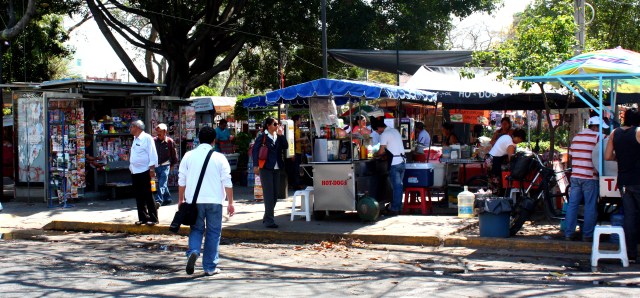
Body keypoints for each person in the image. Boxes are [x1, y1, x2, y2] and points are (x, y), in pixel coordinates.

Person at [179, 126, 235, 276]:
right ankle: (210, 267)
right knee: (213, 232)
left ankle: (194, 251)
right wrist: (230, 202)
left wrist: (180, 200)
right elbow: (227, 182)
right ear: (213, 140)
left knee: (196, 229)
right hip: (215, 200)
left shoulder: (188, 156)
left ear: (198, 139)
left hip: (194, 201)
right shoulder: (220, 157)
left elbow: (181, 180)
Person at [605, 108, 640, 263]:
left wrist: (619, 158)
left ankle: (631, 255)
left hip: (624, 181)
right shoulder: (638, 131)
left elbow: (607, 156)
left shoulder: (615, 133)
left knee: (630, 217)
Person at [564, 116, 607, 242]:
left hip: (575, 176)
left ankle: (568, 233)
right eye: (600, 128)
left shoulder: (576, 137)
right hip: (590, 177)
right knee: (590, 206)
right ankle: (587, 235)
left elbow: (571, 157)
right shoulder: (598, 137)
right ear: (595, 127)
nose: (602, 131)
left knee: (573, 205)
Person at [252, 117, 288, 228]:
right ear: (268, 125)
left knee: (275, 194)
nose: (277, 126)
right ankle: (270, 221)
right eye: (275, 124)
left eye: (278, 124)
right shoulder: (262, 137)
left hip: (277, 168)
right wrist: (255, 165)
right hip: (266, 168)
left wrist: (281, 135)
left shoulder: (278, 136)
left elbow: (285, 146)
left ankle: (267, 217)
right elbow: (255, 150)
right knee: (268, 195)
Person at [128, 120, 159, 225]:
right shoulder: (135, 139)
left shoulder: (147, 138)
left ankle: (154, 218)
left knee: (148, 195)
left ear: (137, 127)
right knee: (139, 195)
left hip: (145, 171)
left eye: (132, 126)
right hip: (135, 171)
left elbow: (153, 155)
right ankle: (143, 217)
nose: (130, 128)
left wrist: (152, 170)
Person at [373, 119, 405, 216]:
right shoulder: (395, 131)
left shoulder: (384, 134)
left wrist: (375, 154)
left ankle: (394, 208)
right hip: (402, 161)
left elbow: (381, 151)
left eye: (377, 131)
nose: (378, 133)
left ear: (379, 128)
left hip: (394, 163)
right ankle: (397, 207)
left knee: (396, 187)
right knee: (399, 186)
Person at [487, 128, 526, 195]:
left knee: (492, 183)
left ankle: (493, 198)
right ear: (518, 137)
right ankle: (496, 200)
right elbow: (511, 159)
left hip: (489, 159)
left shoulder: (506, 136)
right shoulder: (510, 144)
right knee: (496, 184)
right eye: (520, 140)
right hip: (493, 162)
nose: (519, 142)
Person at [154, 123, 179, 207]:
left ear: (165, 132)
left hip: (166, 165)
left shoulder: (169, 141)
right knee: (163, 183)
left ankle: (158, 200)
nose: (158, 133)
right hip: (157, 166)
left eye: (160, 131)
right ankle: (167, 199)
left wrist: (172, 166)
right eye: (157, 131)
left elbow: (174, 156)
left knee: (161, 183)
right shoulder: (154, 141)